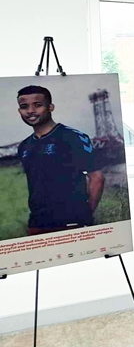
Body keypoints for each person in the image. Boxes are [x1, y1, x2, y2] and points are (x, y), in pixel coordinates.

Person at [16, 85, 105, 235]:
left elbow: (97, 178)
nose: (30, 111)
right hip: (37, 224)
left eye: (37, 105)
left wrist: (85, 214)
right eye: (24, 106)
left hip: (72, 222)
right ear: (19, 111)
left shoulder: (73, 137)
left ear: (50, 107)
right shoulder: (24, 146)